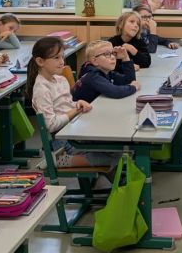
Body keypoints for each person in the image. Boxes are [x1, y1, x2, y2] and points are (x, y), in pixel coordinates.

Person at [25, 36, 116, 167]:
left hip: (74, 130)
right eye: (56, 58)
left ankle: (113, 177)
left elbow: (65, 105)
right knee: (113, 155)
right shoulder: (41, 89)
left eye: (62, 57)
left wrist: (77, 103)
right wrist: (75, 110)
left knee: (117, 147)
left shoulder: (60, 79)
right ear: (40, 61)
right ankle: (61, 160)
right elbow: (51, 125)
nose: (62, 62)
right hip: (65, 142)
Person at [71, 40, 140, 104]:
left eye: (113, 53)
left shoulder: (106, 71)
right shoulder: (93, 75)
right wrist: (133, 87)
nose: (113, 57)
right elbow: (114, 92)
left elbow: (129, 81)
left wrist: (125, 58)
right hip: (81, 112)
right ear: (94, 61)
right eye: (107, 54)